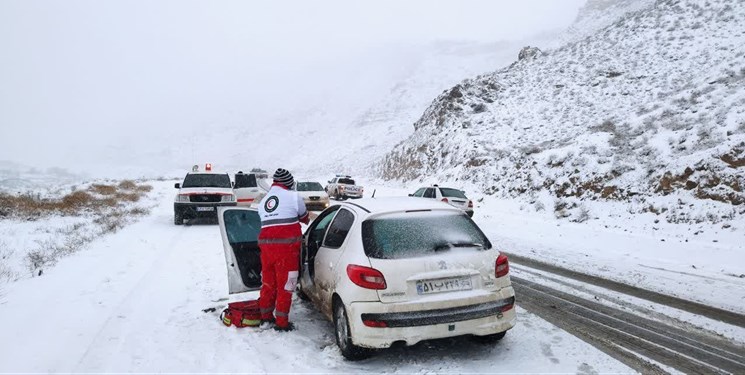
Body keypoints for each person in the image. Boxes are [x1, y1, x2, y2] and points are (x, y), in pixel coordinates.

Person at [257, 168, 309, 331]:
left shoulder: (263, 201)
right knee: (286, 285)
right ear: (289, 183)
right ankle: (282, 322)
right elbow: (304, 218)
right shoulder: (294, 197)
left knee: (268, 283)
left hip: (266, 249)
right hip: (286, 250)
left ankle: (265, 316)